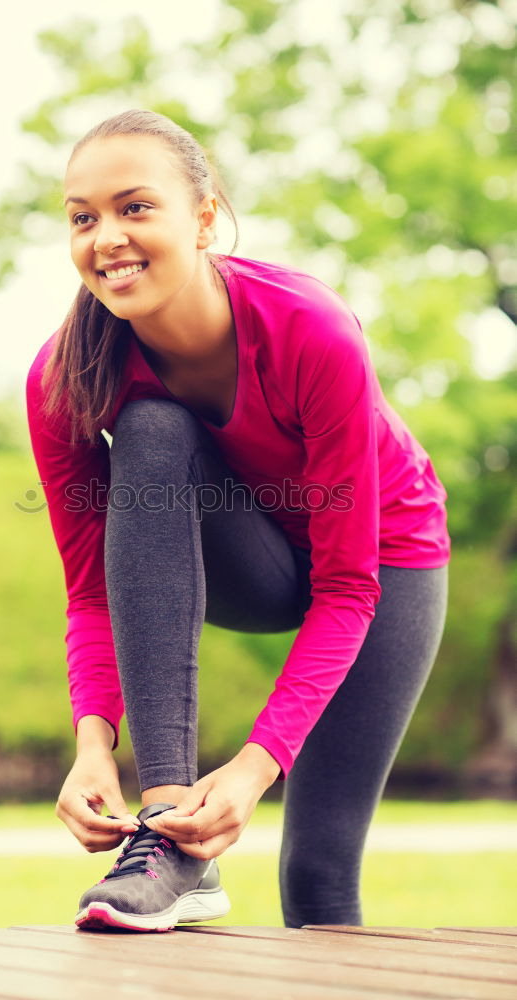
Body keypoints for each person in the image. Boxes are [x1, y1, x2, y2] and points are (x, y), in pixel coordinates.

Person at [25, 109, 450, 933]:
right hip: (240, 552)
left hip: (383, 561)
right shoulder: (65, 379)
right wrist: (90, 745)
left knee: (319, 868)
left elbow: (347, 589)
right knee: (151, 430)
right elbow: (89, 595)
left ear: (207, 217)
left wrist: (256, 769)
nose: (106, 236)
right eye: (83, 218)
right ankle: (172, 835)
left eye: (135, 207)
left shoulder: (310, 329)